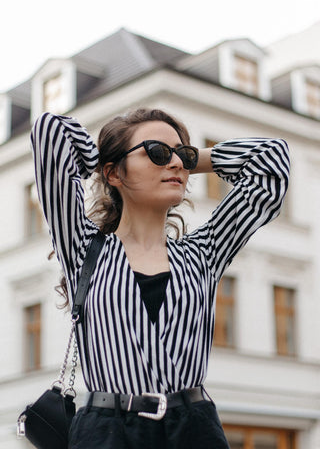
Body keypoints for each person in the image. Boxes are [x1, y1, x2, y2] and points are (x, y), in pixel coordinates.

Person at [31, 108, 290, 449]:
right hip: (107, 433)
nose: (176, 164)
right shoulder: (81, 246)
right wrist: (109, 156)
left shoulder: (204, 253)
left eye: (182, 155)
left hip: (194, 429)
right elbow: (51, 132)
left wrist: (189, 159)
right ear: (113, 174)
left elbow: (270, 160)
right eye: (157, 152)